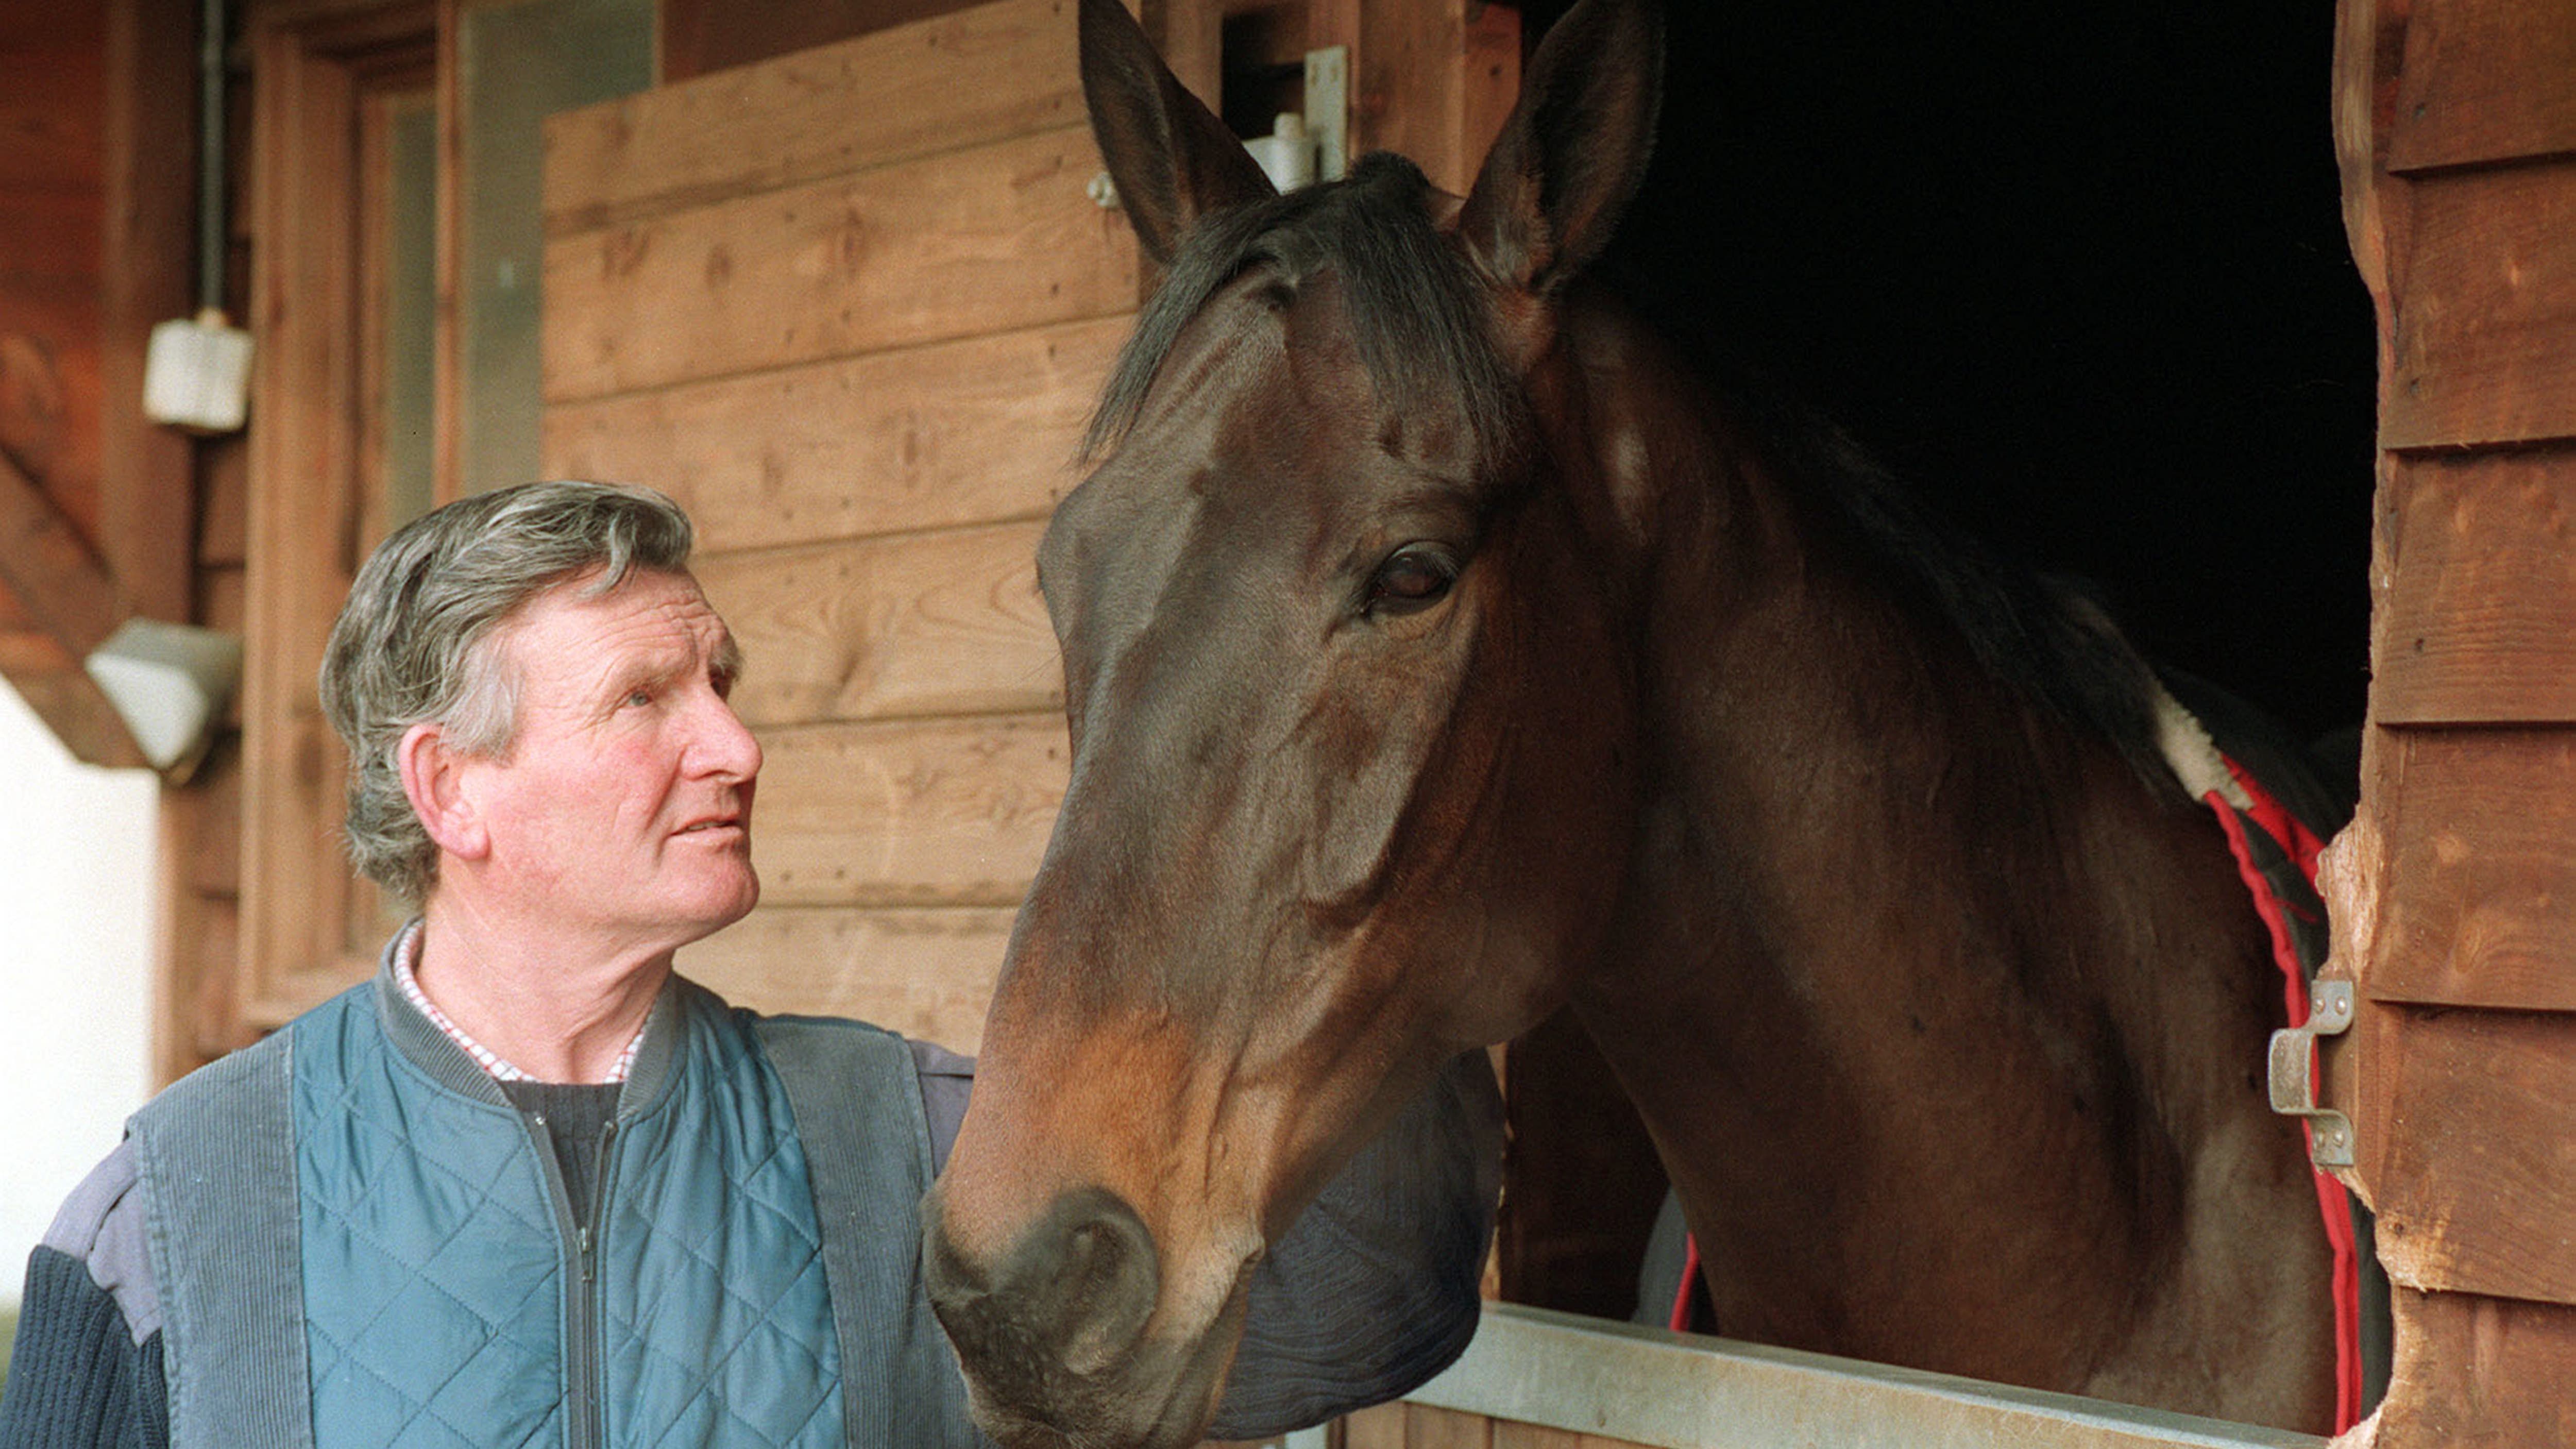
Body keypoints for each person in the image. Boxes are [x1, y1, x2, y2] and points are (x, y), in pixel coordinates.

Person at [0, 480, 1501, 1448]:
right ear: (453, 788)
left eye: (720, 680)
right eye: (646, 696)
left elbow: (1372, 1295)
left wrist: (1333, 834)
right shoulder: (183, 1210)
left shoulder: (899, 1143)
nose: (733, 743)